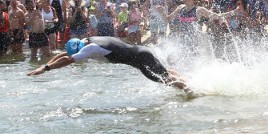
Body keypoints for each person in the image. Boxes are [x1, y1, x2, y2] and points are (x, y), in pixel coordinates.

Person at [26, 37, 191, 92]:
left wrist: (47, 68)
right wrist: (44, 66)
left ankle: (193, 90)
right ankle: (190, 80)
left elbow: (68, 59)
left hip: (141, 61)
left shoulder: (90, 48)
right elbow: (67, 54)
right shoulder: (87, 40)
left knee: (166, 80)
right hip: (143, 52)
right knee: (167, 73)